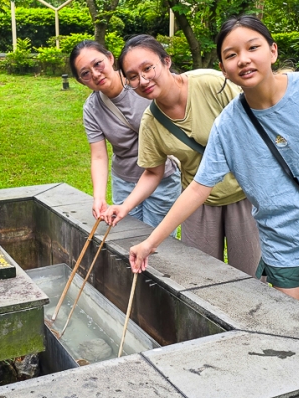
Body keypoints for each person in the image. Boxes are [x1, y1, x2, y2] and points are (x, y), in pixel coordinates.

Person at [128, 16, 299, 335]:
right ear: (223, 68)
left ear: (273, 51)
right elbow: (197, 188)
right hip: (282, 237)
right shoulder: (227, 126)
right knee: (290, 329)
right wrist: (150, 242)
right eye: (231, 54)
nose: (244, 59)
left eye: (253, 47)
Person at [103, 35, 262, 274]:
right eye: (133, 77)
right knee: (199, 278)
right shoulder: (151, 122)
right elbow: (153, 172)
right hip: (197, 202)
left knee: (250, 277)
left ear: (166, 61)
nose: (143, 79)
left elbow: (257, 122)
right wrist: (125, 207)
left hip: (243, 195)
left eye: (148, 68)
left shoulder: (211, 83)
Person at [68, 40, 180, 228]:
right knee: (126, 240)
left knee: (158, 246)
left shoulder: (143, 84)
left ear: (110, 58)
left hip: (163, 179)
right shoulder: (92, 108)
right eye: (85, 73)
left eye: (98, 64)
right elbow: (98, 156)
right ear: (81, 81)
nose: (95, 74)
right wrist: (99, 197)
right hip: (125, 182)